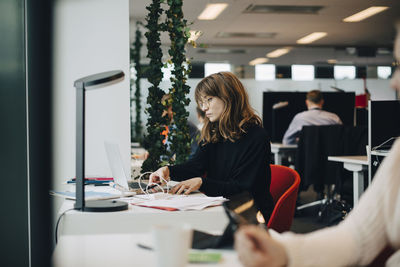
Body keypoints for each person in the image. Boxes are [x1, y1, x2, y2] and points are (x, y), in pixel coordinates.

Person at [234, 22, 400, 267]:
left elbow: (288, 141)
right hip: (334, 168)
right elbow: (358, 237)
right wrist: (285, 253)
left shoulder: (299, 117)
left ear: (307, 101)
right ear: (322, 101)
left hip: (309, 165)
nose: (393, 83)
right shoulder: (336, 118)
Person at [150, 72, 274, 221]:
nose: (204, 107)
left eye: (209, 99)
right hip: (221, 206)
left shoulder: (257, 137)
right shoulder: (215, 133)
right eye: (202, 102)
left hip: (248, 212)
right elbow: (196, 166)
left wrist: (202, 183)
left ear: (229, 97)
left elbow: (242, 188)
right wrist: (168, 170)